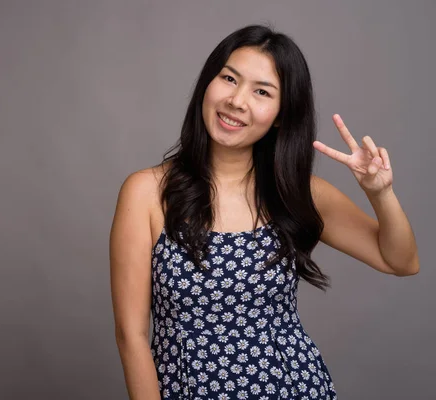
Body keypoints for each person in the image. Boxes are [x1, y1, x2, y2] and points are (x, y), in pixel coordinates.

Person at [109, 24, 419, 400]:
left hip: (294, 388)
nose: (237, 101)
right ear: (208, 84)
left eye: (261, 92)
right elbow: (131, 335)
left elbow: (400, 261)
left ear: (280, 116)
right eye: (229, 78)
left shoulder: (297, 193)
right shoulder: (146, 193)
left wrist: (380, 193)